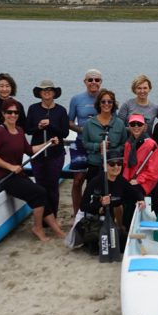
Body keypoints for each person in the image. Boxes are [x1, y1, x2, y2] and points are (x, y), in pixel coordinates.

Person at [0, 102, 63, 242]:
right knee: (39, 192)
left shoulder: (19, 130)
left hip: (17, 175)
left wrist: (48, 144)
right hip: (4, 177)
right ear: (3, 114)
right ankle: (37, 228)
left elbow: (29, 150)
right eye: (9, 112)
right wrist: (10, 166)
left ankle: (57, 230)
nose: (13, 115)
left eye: (16, 113)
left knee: (42, 193)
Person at [25, 79, 70, 217]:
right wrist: (38, 127)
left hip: (56, 154)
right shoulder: (33, 109)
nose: (47, 92)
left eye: (49, 90)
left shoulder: (61, 110)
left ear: (54, 93)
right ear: (39, 93)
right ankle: (43, 217)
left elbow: (65, 133)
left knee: (53, 186)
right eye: (44, 90)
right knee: (40, 186)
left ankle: (53, 216)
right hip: (37, 154)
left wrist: (50, 125)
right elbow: (28, 130)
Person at [67, 68, 104, 214]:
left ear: (101, 82)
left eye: (97, 80)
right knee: (78, 180)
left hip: (98, 145)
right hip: (81, 142)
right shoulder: (76, 99)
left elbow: (113, 119)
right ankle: (77, 213)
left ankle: (95, 210)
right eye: (90, 79)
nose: (93, 82)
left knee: (97, 180)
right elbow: (70, 122)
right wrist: (83, 130)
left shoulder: (105, 99)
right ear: (85, 81)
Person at [76, 154, 128, 255]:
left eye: (119, 163)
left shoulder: (121, 180)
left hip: (109, 220)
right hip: (92, 219)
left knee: (122, 245)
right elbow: (83, 206)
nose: (116, 167)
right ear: (105, 166)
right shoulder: (95, 181)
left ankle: (119, 228)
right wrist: (100, 205)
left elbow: (133, 194)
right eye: (112, 164)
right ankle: (91, 242)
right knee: (95, 243)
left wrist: (140, 199)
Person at [121, 113, 158, 228]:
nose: (136, 126)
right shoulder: (128, 144)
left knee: (131, 193)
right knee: (122, 191)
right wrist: (124, 181)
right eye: (133, 124)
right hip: (134, 179)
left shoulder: (151, 144)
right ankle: (126, 224)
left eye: (139, 124)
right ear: (129, 126)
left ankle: (128, 225)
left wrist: (138, 180)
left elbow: (154, 170)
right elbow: (127, 166)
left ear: (144, 127)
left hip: (149, 180)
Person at [80, 88, 127, 184]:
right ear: (99, 104)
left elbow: (124, 144)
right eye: (103, 101)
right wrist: (98, 146)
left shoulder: (119, 123)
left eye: (109, 101)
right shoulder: (89, 123)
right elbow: (85, 143)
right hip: (95, 164)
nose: (106, 104)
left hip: (114, 165)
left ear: (113, 104)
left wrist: (113, 151)